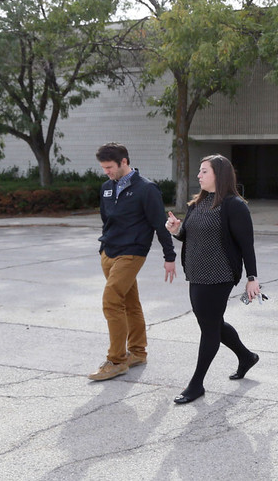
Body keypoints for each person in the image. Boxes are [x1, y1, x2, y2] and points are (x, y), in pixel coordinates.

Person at [164, 154, 261, 405]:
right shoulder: (198, 204)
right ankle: (246, 356)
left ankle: (196, 385)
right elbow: (191, 235)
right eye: (199, 170)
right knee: (214, 324)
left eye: (204, 171)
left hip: (219, 275)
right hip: (196, 273)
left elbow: (246, 245)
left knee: (208, 328)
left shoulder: (234, 205)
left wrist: (252, 278)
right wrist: (176, 230)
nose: (199, 175)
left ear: (219, 174)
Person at [90, 143, 178, 381]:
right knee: (129, 302)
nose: (106, 172)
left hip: (132, 252)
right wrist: (103, 248)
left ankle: (117, 360)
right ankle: (137, 352)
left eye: (109, 167)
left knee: (110, 302)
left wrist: (169, 257)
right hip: (109, 252)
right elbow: (106, 220)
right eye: (103, 168)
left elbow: (159, 223)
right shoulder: (107, 188)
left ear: (124, 162)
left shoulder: (146, 189)